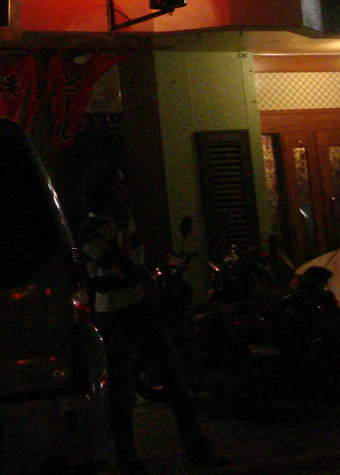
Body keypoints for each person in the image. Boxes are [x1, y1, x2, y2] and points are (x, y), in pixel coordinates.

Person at [74, 161, 224, 475]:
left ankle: (196, 448)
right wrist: (134, 258)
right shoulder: (89, 230)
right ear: (106, 191)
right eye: (119, 184)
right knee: (122, 390)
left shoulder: (123, 220)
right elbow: (121, 267)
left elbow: (138, 259)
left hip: (141, 307)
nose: (125, 189)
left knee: (175, 379)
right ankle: (127, 458)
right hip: (114, 315)